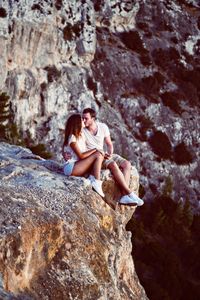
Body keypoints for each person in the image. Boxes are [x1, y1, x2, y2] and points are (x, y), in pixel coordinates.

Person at [81, 108, 144, 206]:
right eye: (82, 118)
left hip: (104, 154)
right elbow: (82, 151)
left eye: (86, 118)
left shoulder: (102, 127)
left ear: (93, 118)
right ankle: (129, 193)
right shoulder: (83, 131)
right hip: (95, 157)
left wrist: (110, 153)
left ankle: (124, 197)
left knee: (127, 164)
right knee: (113, 165)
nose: (83, 121)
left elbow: (109, 144)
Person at [62, 113, 105, 197]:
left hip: (77, 164)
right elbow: (81, 155)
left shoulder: (81, 135)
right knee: (98, 154)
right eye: (82, 119)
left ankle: (93, 179)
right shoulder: (72, 137)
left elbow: (65, 148)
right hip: (71, 167)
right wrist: (95, 149)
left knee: (100, 155)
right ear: (77, 123)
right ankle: (97, 182)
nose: (84, 121)